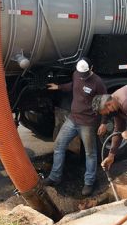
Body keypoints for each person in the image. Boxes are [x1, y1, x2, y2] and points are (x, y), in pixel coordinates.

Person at [45, 57, 108, 196]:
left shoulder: (97, 83)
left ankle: (89, 182)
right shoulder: (77, 74)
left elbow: (105, 104)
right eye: (80, 74)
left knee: (90, 153)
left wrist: (103, 122)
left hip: (88, 123)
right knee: (59, 146)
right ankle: (55, 177)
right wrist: (59, 87)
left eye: (85, 75)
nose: (82, 77)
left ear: (91, 68)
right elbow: (74, 85)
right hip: (72, 119)